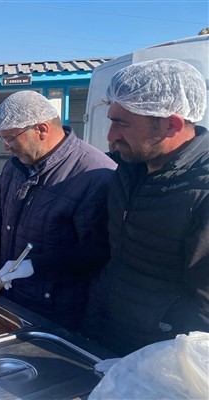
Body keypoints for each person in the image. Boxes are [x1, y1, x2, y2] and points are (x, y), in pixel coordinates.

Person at [0, 91, 117, 330]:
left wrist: (34, 265)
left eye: (10, 139)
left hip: (57, 310)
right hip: (12, 295)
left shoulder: (95, 175)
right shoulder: (16, 166)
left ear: (41, 129)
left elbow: (96, 252)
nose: (6, 147)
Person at [81, 59, 209, 356]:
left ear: (172, 124)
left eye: (122, 123)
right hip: (108, 335)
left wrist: (167, 372)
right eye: (112, 120)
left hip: (161, 360)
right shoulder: (129, 169)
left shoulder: (201, 191)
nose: (110, 135)